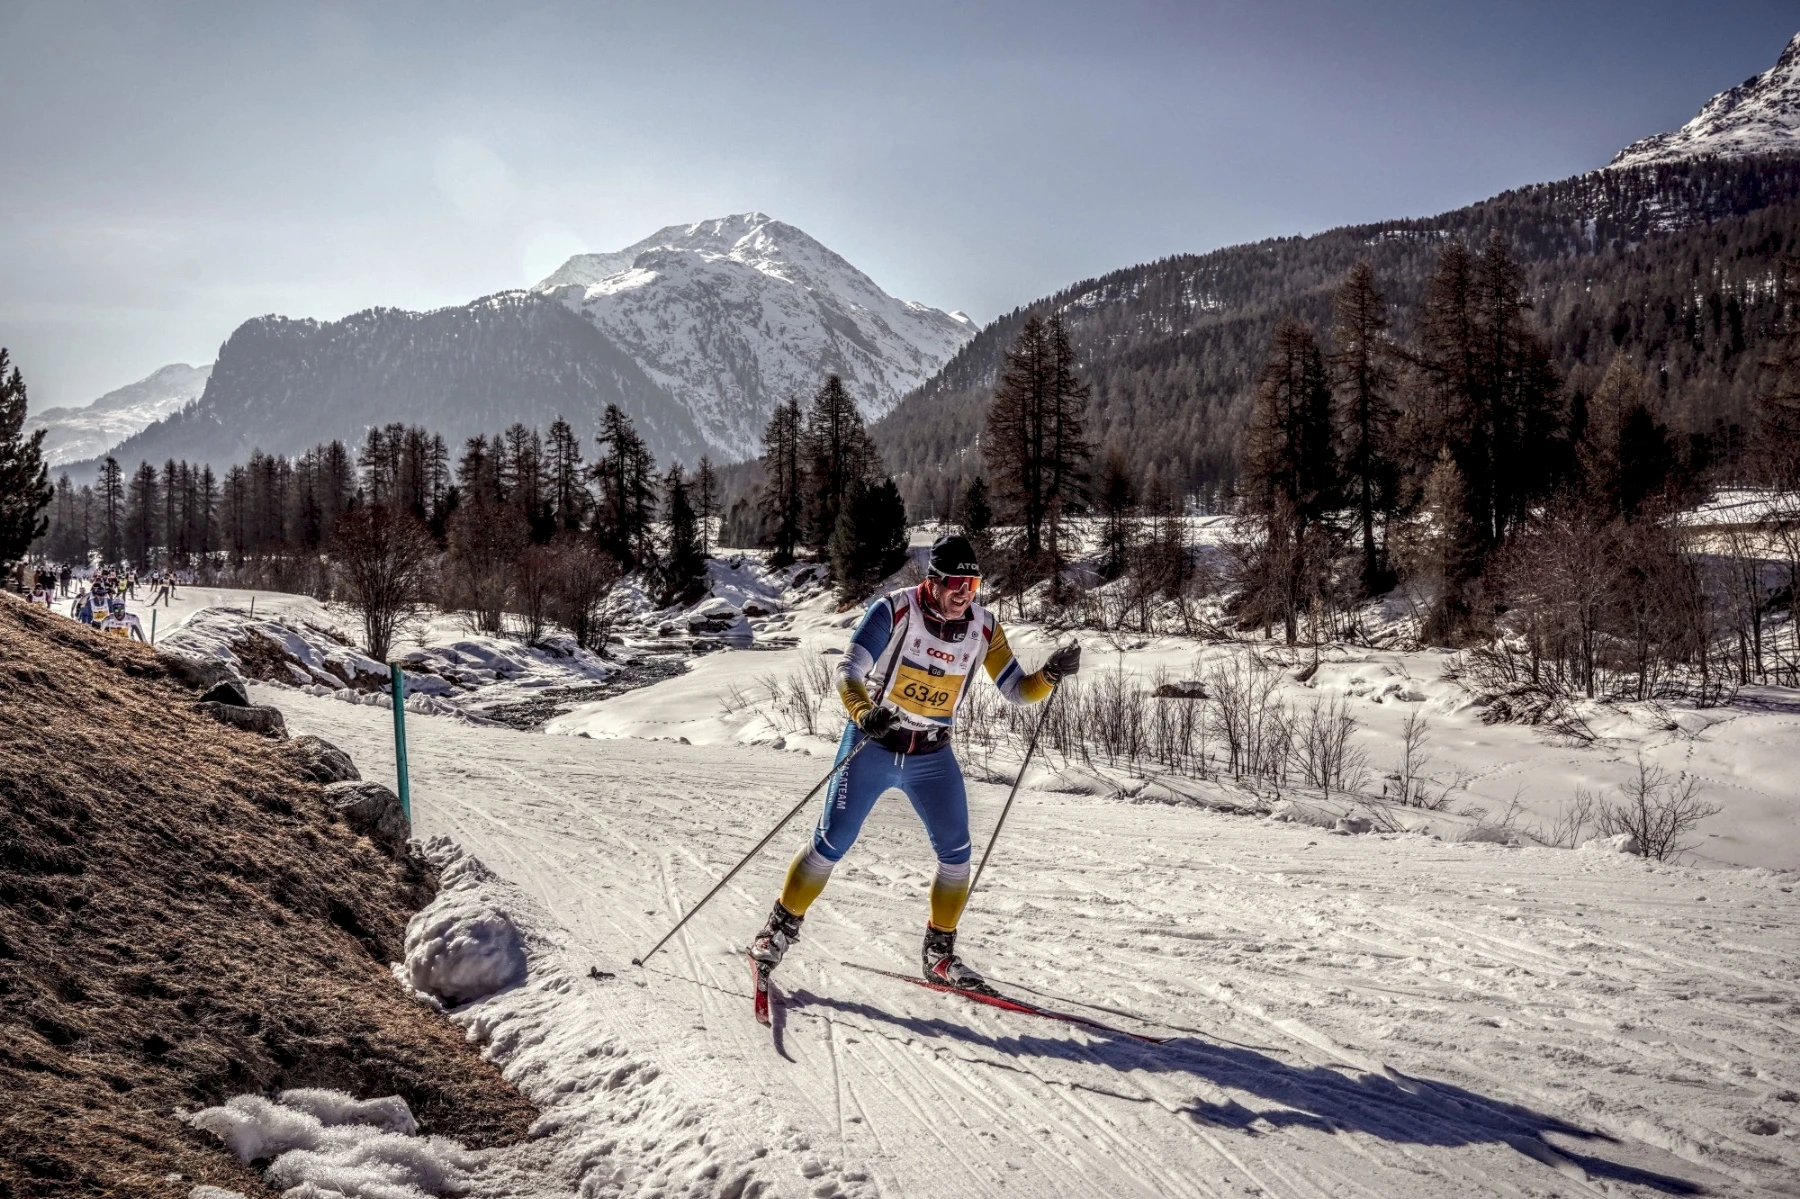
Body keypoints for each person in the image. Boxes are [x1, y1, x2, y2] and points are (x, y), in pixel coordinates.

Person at [748, 533, 1081, 990]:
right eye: (956, 585)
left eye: (972, 585)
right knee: (831, 842)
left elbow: (1017, 691)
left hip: (932, 754)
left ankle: (939, 954)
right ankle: (775, 932)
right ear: (933, 581)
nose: (964, 594)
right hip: (874, 744)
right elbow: (849, 670)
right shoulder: (894, 609)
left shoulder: (984, 628)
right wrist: (864, 712)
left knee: (957, 855)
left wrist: (1050, 674)